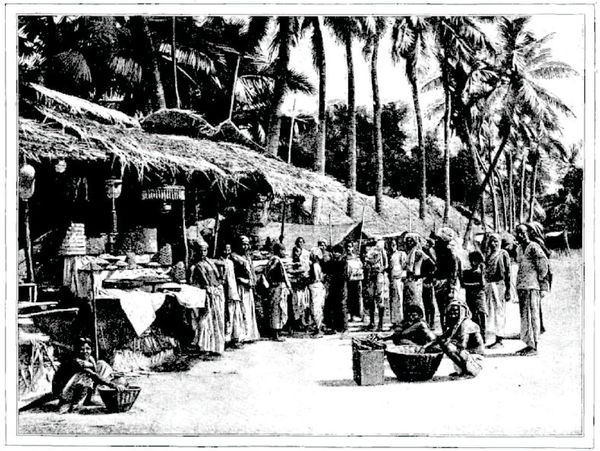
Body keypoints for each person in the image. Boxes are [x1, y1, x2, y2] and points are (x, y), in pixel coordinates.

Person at [52, 337, 123, 414]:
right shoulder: (76, 360)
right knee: (85, 376)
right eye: (82, 349)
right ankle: (70, 403)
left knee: (102, 364)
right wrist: (113, 385)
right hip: (65, 390)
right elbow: (94, 375)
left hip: (76, 386)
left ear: (91, 349)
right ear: (77, 350)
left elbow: (96, 372)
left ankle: (87, 399)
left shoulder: (91, 359)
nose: (85, 351)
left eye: (88, 349)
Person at [514, 223, 549, 356]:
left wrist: (540, 282)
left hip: (532, 286)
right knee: (525, 316)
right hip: (522, 286)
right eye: (518, 232)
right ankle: (528, 344)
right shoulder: (518, 248)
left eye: (523, 232)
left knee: (532, 315)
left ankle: (534, 346)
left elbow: (543, 265)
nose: (520, 235)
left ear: (528, 233)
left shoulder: (534, 247)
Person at [190, 238, 226, 354]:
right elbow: (193, 282)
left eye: (205, 251)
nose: (203, 253)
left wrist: (221, 280)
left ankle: (215, 346)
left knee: (217, 320)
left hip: (216, 292)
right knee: (206, 319)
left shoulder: (210, 262)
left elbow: (222, 266)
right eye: (200, 251)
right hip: (206, 294)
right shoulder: (195, 266)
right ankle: (204, 346)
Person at [484, 233, 512, 349]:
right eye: (492, 241)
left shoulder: (503, 254)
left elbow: (508, 273)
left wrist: (508, 290)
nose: (494, 244)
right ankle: (491, 337)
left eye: (496, 241)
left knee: (499, 312)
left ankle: (499, 339)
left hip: (500, 285)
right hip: (490, 285)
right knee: (490, 312)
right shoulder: (489, 255)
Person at [231, 235, 260, 341]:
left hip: (248, 287)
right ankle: (240, 335)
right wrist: (243, 280)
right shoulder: (234, 257)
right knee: (241, 310)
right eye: (243, 244)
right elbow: (233, 274)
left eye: (247, 244)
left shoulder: (247, 257)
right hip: (240, 287)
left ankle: (249, 334)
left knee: (248, 309)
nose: (246, 246)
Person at [433, 227, 462, 330]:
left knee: (449, 309)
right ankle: (444, 330)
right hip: (439, 283)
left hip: (447, 283)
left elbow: (453, 272)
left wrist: (451, 287)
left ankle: (451, 331)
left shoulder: (450, 252)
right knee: (442, 310)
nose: (436, 242)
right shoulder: (439, 252)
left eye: (439, 240)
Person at [265, 242, 292, 341]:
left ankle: (277, 332)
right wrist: (273, 282)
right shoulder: (275, 260)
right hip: (276, 288)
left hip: (278, 287)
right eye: (282, 250)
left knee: (278, 309)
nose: (284, 252)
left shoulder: (275, 260)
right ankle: (275, 334)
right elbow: (269, 272)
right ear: (278, 250)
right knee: (276, 309)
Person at [220, 243, 245, 347]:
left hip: (233, 291)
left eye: (229, 249)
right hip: (226, 291)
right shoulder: (220, 262)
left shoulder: (230, 262)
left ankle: (234, 338)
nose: (227, 251)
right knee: (227, 315)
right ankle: (226, 339)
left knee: (234, 314)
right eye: (225, 249)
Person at [462, 250, 488, 344]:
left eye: (476, 261)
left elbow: (482, 284)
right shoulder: (467, 272)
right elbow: (463, 284)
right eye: (472, 261)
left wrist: (481, 271)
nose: (474, 263)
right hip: (471, 296)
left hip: (479, 296)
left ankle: (483, 336)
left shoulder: (480, 272)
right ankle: (475, 337)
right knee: (473, 316)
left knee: (481, 315)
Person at [364, 239, 389, 331]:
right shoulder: (369, 252)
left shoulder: (382, 252)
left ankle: (381, 323)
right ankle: (372, 322)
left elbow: (385, 265)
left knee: (380, 299)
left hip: (379, 276)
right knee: (370, 299)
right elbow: (366, 263)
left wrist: (380, 270)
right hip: (370, 277)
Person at [323, 244, 348, 333]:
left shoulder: (343, 263)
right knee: (333, 307)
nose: (335, 254)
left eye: (337, 252)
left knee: (342, 306)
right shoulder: (331, 262)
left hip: (341, 287)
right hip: (333, 287)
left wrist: (332, 277)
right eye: (334, 252)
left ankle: (344, 327)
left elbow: (343, 276)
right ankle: (334, 327)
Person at [288, 245, 311, 331]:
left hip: (302, 287)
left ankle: (303, 322)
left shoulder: (303, 262)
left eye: (297, 251)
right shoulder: (290, 263)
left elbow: (306, 271)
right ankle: (296, 323)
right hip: (295, 287)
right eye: (294, 252)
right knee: (295, 305)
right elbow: (289, 273)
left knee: (303, 304)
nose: (296, 253)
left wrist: (300, 273)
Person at [403, 233, 426, 316]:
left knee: (416, 301)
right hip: (409, 280)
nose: (409, 243)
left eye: (411, 241)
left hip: (416, 280)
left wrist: (421, 275)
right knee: (409, 302)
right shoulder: (409, 253)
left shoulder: (418, 252)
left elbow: (431, 264)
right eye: (407, 241)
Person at [388, 238, 407, 326]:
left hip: (399, 278)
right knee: (393, 300)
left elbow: (404, 266)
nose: (392, 247)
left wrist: (401, 275)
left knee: (400, 299)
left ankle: (400, 320)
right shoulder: (390, 255)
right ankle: (394, 321)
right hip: (392, 279)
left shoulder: (401, 254)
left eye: (394, 245)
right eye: (391, 245)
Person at [307, 248, 326, 333]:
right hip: (317, 286)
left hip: (315, 287)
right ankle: (318, 326)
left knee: (316, 307)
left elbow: (315, 278)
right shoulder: (317, 265)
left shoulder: (315, 265)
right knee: (316, 307)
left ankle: (318, 329)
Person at [344, 241, 364, 321]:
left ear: (352, 248)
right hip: (348, 280)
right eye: (347, 247)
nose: (349, 249)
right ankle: (351, 315)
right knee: (349, 297)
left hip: (357, 280)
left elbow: (361, 267)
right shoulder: (344, 258)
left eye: (350, 247)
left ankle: (360, 315)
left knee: (358, 297)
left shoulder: (357, 258)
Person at [421, 238, 437, 329]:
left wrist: (429, 277)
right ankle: (427, 321)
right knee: (426, 302)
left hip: (428, 280)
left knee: (429, 302)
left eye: (427, 243)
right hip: (423, 279)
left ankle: (432, 322)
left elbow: (434, 266)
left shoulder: (430, 253)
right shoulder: (423, 251)